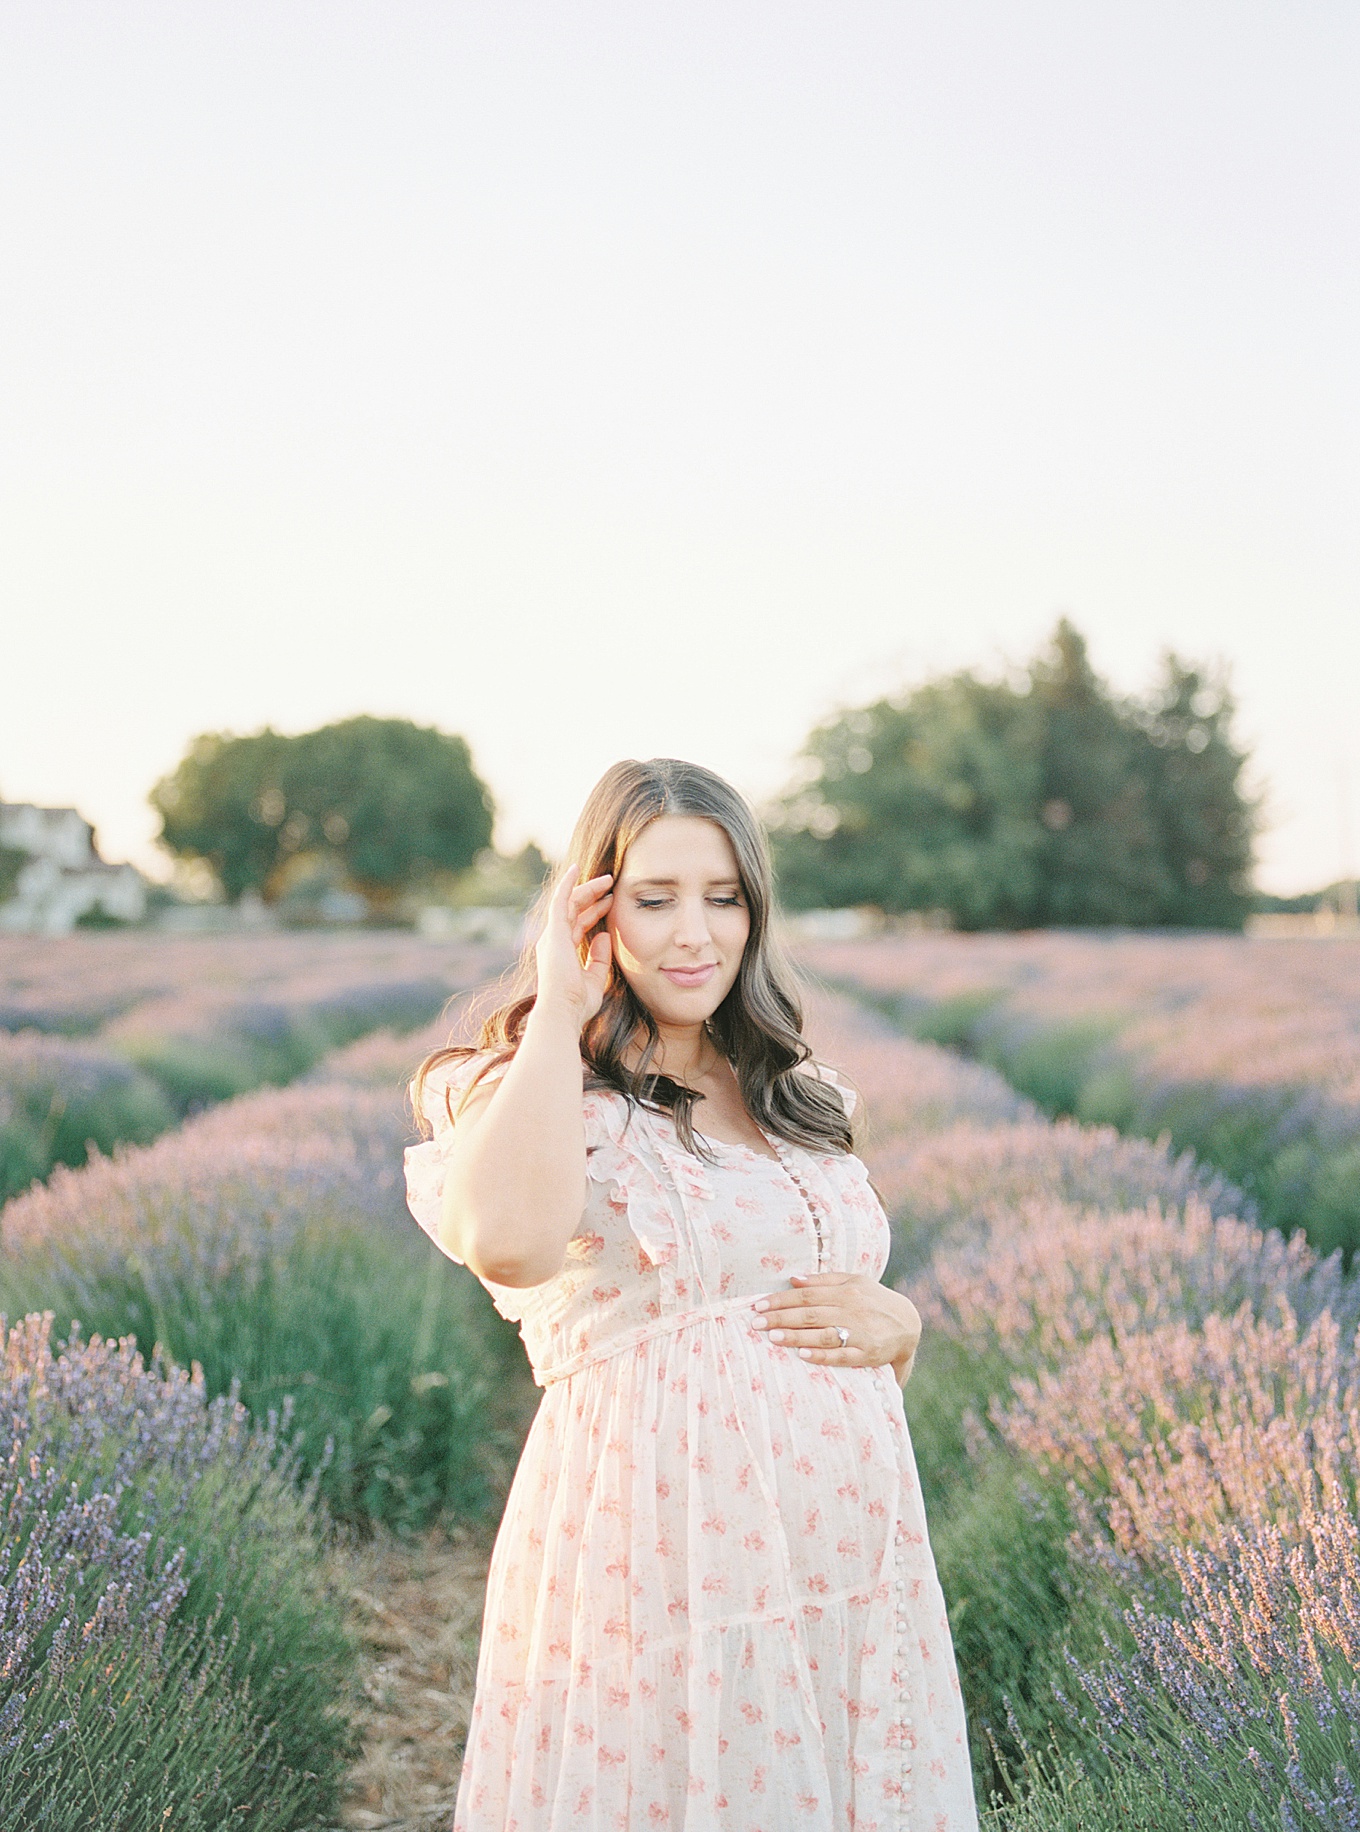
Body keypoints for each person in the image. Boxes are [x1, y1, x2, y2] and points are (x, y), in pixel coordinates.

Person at [404, 757, 979, 1830]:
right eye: (654, 897)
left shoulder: (799, 1094)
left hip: (845, 1562)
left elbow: (826, 1298)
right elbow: (508, 1242)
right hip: (660, 1552)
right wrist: (557, 1008)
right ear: (592, 904)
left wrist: (900, 1322)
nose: (693, 932)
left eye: (723, 897)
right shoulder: (536, 1088)